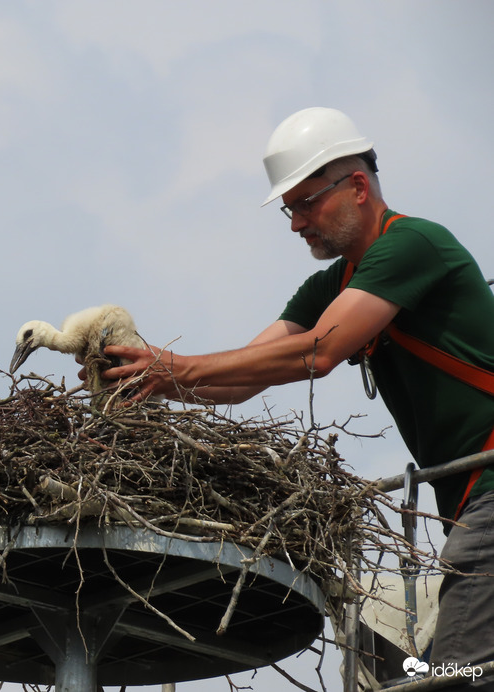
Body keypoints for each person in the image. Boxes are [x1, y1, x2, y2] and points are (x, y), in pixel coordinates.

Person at [102, 107, 494, 679]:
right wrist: (153, 380)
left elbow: (320, 350)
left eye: (306, 202)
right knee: (401, 665)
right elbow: (244, 379)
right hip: (465, 506)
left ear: (357, 186)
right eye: (289, 208)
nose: (295, 224)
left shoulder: (414, 245)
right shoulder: (331, 285)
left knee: (462, 675)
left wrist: (177, 366)